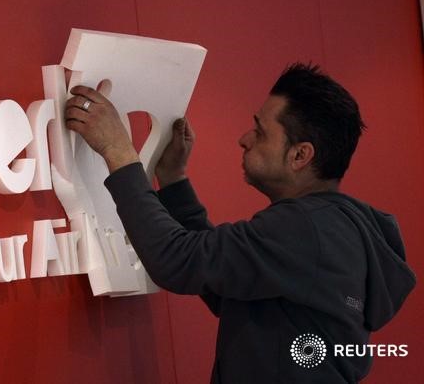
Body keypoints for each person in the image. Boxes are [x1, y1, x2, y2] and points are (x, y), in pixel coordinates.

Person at [64, 63, 415, 383]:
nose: (244, 139)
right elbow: (225, 286)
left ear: (300, 155)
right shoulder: (333, 227)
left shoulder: (306, 227)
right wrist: (173, 180)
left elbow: (175, 261)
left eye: (260, 132)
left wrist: (119, 153)